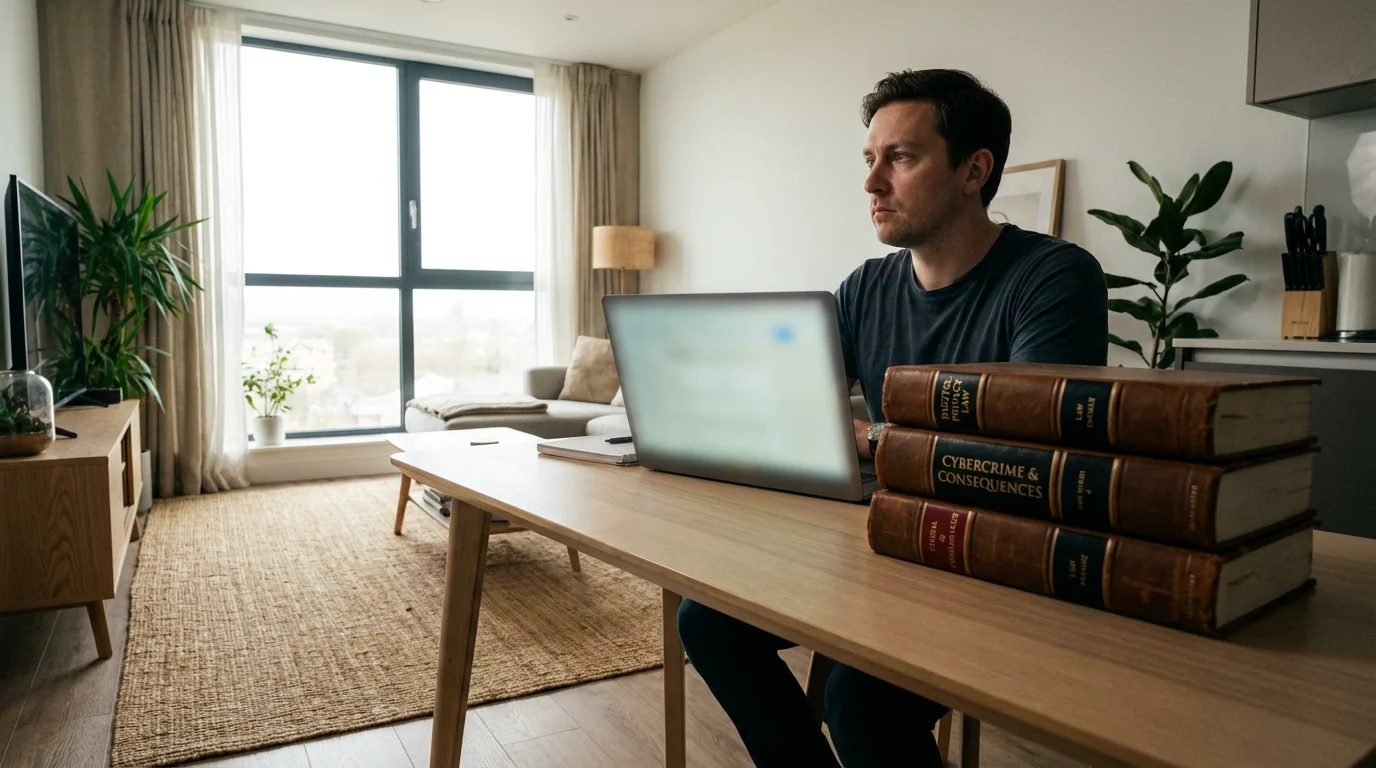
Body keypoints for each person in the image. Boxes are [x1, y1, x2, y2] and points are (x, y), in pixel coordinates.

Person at [675, 69, 1109, 768]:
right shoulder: (865, 288)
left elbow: (1030, 452)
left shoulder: (1053, 276)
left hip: (994, 554)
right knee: (706, 621)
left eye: (900, 158)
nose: (872, 182)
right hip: (885, 540)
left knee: (859, 701)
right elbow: (801, 413)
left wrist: (875, 437)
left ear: (973, 170)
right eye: (870, 159)